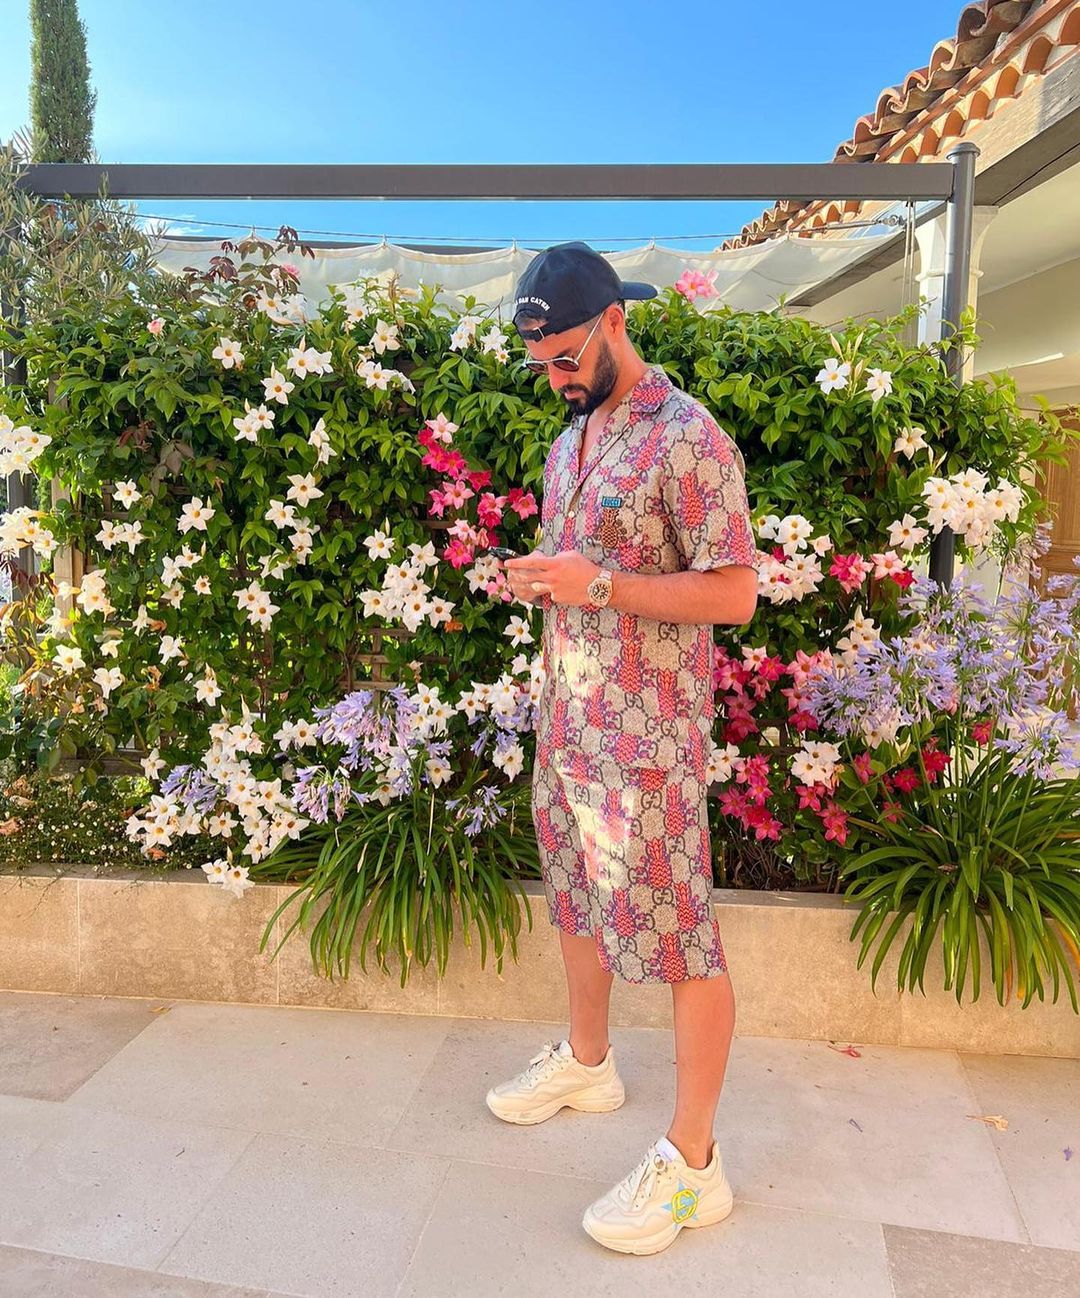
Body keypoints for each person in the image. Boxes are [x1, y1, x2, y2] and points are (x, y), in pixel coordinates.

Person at [484, 242, 760, 1256]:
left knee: (682, 936)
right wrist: (544, 579)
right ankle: (590, 1062)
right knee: (572, 896)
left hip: (647, 745)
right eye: (540, 364)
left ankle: (695, 1166)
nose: (554, 377)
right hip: (569, 722)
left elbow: (734, 592)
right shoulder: (572, 441)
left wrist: (596, 585)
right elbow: (584, 570)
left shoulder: (690, 438)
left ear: (613, 322)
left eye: (565, 356)